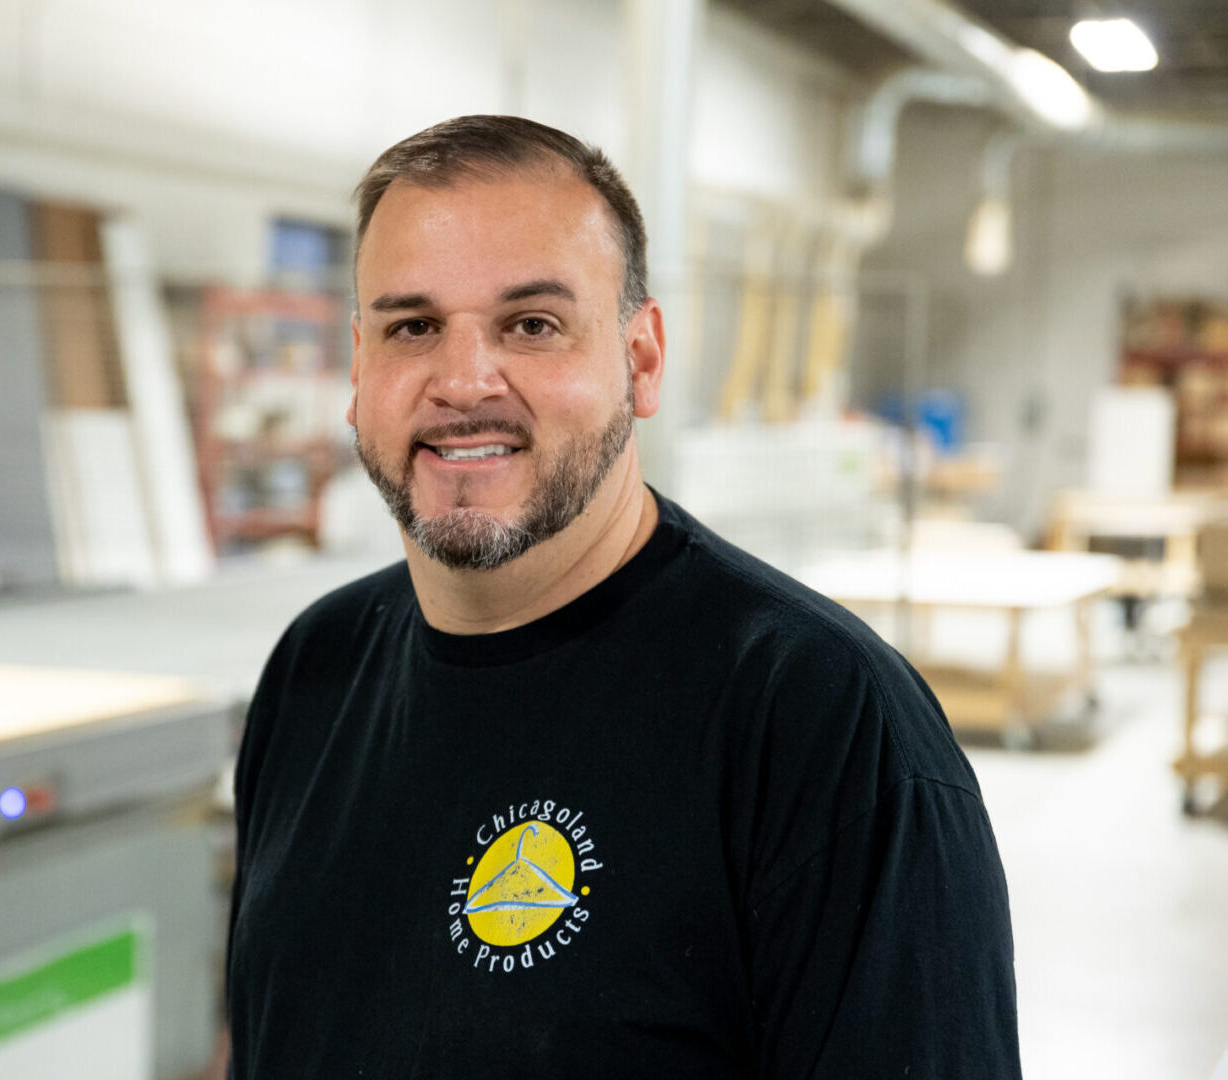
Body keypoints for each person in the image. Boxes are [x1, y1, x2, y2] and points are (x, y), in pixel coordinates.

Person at [225, 115, 1021, 1078]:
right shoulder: (318, 665)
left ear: (640, 361)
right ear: (358, 371)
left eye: (532, 324)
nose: (464, 380)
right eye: (413, 327)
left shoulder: (819, 720)